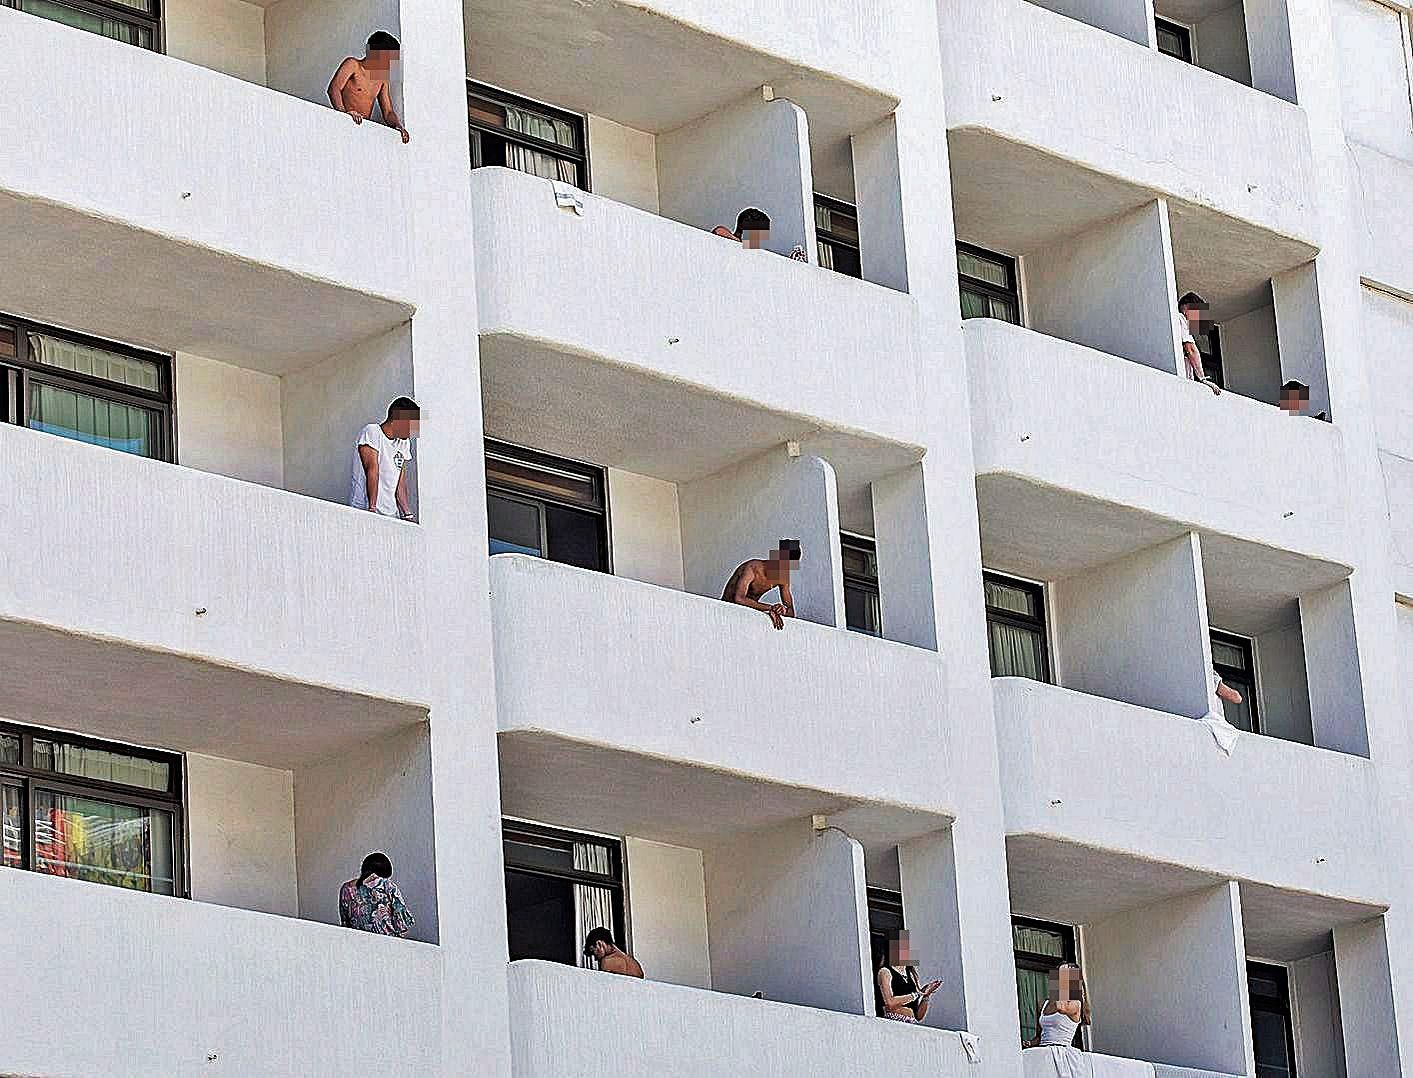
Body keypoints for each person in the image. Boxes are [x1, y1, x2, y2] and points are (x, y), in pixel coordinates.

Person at [327, 31, 410, 144]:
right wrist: (344, 114)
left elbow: (388, 112)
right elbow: (333, 89)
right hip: (345, 124)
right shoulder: (353, 65)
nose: (390, 63)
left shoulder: (382, 79)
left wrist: (398, 126)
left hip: (363, 130)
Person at [349, 397, 418, 521]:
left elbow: (400, 483)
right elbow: (372, 471)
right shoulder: (372, 432)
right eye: (410, 424)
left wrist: (408, 514)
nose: (412, 430)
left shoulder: (404, 443)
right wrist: (372, 509)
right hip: (366, 510)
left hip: (392, 515)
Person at [721, 540, 800, 629]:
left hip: (748, 615)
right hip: (726, 612)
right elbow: (739, 598)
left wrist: (782, 610)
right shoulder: (753, 568)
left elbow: (791, 611)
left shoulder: (783, 577)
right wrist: (770, 608)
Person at [1024, 962, 1090, 1061]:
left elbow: (1061, 1007)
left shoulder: (1075, 1003)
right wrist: (1030, 1043)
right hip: (1044, 1052)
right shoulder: (1043, 1004)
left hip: (1062, 1055)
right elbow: (1039, 1036)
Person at [339, 852, 415, 936]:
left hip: (358, 941)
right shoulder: (388, 886)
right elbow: (403, 925)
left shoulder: (347, 888)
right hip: (386, 942)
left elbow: (345, 923)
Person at [877, 929, 942, 1024]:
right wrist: (916, 994)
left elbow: (918, 1016)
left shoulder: (911, 974)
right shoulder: (885, 972)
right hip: (893, 1023)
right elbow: (890, 1002)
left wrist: (926, 996)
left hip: (911, 1023)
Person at [711, 208, 809, 260]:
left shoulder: (752, 251)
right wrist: (740, 243)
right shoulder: (728, 237)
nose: (759, 238)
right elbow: (719, 231)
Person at [1174, 292, 1221, 395]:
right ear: (1186, 308)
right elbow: (1190, 349)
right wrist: (1203, 379)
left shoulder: (1181, 323)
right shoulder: (1180, 318)